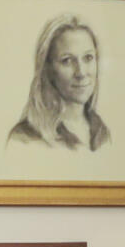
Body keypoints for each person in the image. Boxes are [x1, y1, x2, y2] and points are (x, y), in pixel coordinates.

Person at [9, 12, 110, 154]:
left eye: (88, 58)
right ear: (48, 69)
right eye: (67, 60)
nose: (81, 72)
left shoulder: (102, 132)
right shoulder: (25, 138)